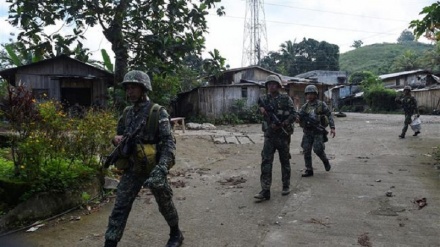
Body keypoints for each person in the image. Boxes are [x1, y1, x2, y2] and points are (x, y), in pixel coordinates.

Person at [104, 70, 183, 247]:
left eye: (134, 87)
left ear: (144, 89)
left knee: (165, 203)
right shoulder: (127, 113)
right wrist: (115, 139)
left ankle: (176, 233)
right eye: (128, 88)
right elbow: (120, 136)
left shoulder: (157, 112)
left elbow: (168, 144)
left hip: (154, 167)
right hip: (132, 168)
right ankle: (110, 242)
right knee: (120, 207)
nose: (130, 91)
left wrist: (161, 169)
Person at [254, 75, 297, 200]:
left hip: (283, 135)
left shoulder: (285, 99)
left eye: (274, 84)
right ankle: (265, 190)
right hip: (269, 135)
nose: (271, 86)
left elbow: (294, 114)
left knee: (285, 161)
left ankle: (286, 185)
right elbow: (259, 112)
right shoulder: (263, 99)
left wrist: (283, 123)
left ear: (278, 86)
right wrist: (261, 110)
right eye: (269, 84)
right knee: (266, 162)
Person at [298, 85, 335, 177]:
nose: (310, 96)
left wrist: (332, 127)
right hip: (307, 131)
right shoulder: (305, 106)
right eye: (308, 94)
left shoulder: (321, 104)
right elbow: (299, 116)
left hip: (318, 131)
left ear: (316, 94)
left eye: (312, 94)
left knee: (318, 149)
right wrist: (297, 119)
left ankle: (325, 161)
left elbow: (329, 115)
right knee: (306, 150)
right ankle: (309, 169)